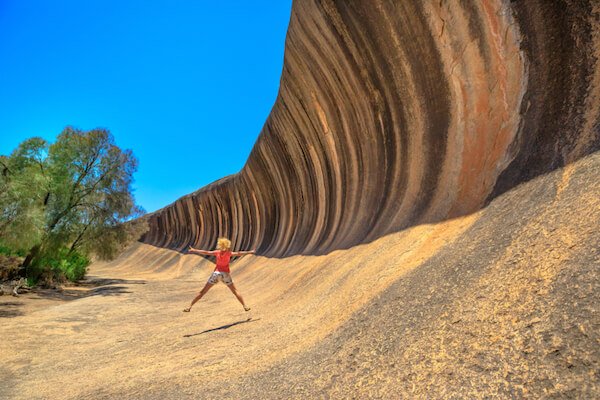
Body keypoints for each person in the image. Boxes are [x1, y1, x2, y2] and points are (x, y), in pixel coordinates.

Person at [183, 237, 255, 313]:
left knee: (202, 292)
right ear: (227, 246)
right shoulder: (229, 253)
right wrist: (250, 251)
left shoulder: (217, 252)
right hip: (225, 274)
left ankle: (189, 306)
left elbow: (205, 252)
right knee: (235, 291)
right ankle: (245, 306)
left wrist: (194, 250)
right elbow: (239, 253)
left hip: (216, 274)